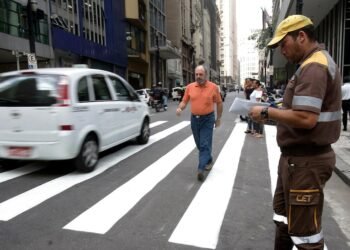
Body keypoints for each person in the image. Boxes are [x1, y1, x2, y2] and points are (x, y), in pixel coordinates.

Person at [249, 15, 342, 250]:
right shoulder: (309, 65)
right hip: (295, 160)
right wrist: (276, 110)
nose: (282, 51)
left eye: (284, 43)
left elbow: (306, 117)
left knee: (305, 236)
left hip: (306, 163)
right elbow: (299, 110)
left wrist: (268, 113)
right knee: (284, 218)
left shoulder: (314, 67)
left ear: (301, 36)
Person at [176, 65, 223, 181]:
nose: (198, 76)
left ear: (205, 75)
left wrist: (219, 118)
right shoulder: (190, 87)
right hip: (194, 120)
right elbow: (184, 101)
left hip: (208, 119)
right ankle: (209, 159)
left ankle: (200, 169)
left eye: (200, 74)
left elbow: (219, 103)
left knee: (204, 144)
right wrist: (180, 108)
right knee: (199, 143)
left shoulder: (213, 87)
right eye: (196, 74)